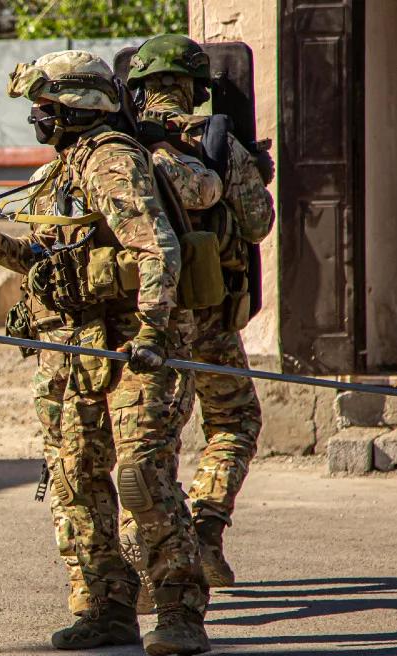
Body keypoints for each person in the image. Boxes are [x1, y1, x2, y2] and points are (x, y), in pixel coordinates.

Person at [0, 50, 210, 656]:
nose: (36, 118)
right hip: (71, 354)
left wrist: (151, 332)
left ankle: (179, 610)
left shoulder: (112, 162)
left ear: (74, 106)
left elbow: (157, 250)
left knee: (142, 476)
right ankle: (105, 607)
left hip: (133, 348)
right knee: (75, 480)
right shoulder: (57, 173)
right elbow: (48, 264)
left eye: (44, 107)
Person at [122, 34, 275, 593]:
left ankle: (146, 565)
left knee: (146, 442)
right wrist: (255, 172)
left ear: (137, 87)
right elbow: (258, 225)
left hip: (145, 321)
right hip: (209, 314)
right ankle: (206, 530)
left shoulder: (118, 148)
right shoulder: (216, 143)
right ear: (194, 87)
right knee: (234, 422)